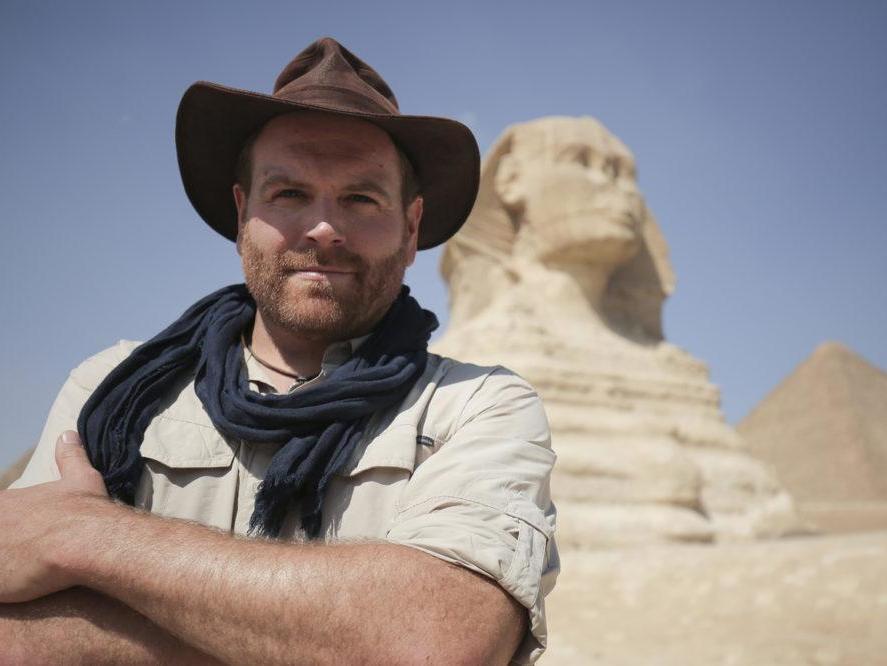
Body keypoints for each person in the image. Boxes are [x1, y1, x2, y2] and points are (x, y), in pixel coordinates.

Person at [0, 37, 558, 664]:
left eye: (361, 198)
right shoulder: (111, 388)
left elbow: (437, 642)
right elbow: (15, 636)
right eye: (289, 194)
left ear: (410, 228)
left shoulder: (477, 407)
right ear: (243, 213)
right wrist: (335, 634)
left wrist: (87, 534)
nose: (323, 227)